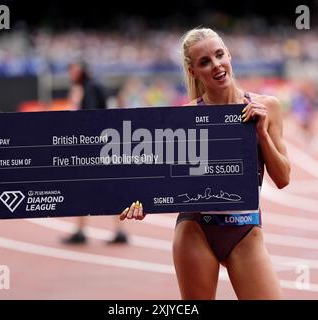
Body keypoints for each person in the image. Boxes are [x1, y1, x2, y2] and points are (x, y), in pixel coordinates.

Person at [119, 28, 290, 299]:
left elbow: (282, 179)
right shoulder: (184, 118)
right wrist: (141, 205)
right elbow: (161, 183)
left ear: (229, 55)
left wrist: (261, 134)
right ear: (193, 71)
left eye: (219, 55)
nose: (216, 65)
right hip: (196, 230)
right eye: (204, 62)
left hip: (245, 229)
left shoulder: (267, 107)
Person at [62, 60, 128, 245]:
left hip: (95, 146)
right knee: (97, 188)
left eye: (73, 69)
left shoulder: (88, 87)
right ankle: (108, 230)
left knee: (89, 188)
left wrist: (75, 102)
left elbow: (89, 116)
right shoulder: (96, 85)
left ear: (81, 70)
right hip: (104, 144)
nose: (70, 73)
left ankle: (88, 231)